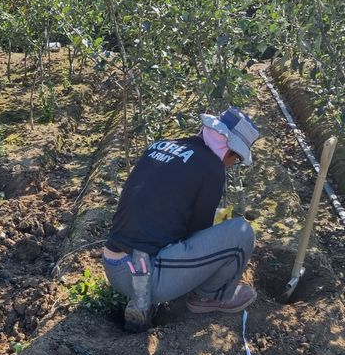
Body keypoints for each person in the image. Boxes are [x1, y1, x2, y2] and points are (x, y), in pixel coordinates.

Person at [103, 107, 260, 331]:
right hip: (145, 275)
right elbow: (196, 233)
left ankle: (142, 300)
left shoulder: (161, 145)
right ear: (229, 151)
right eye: (236, 159)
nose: (233, 164)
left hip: (113, 263)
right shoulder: (212, 168)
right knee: (241, 233)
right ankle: (209, 297)